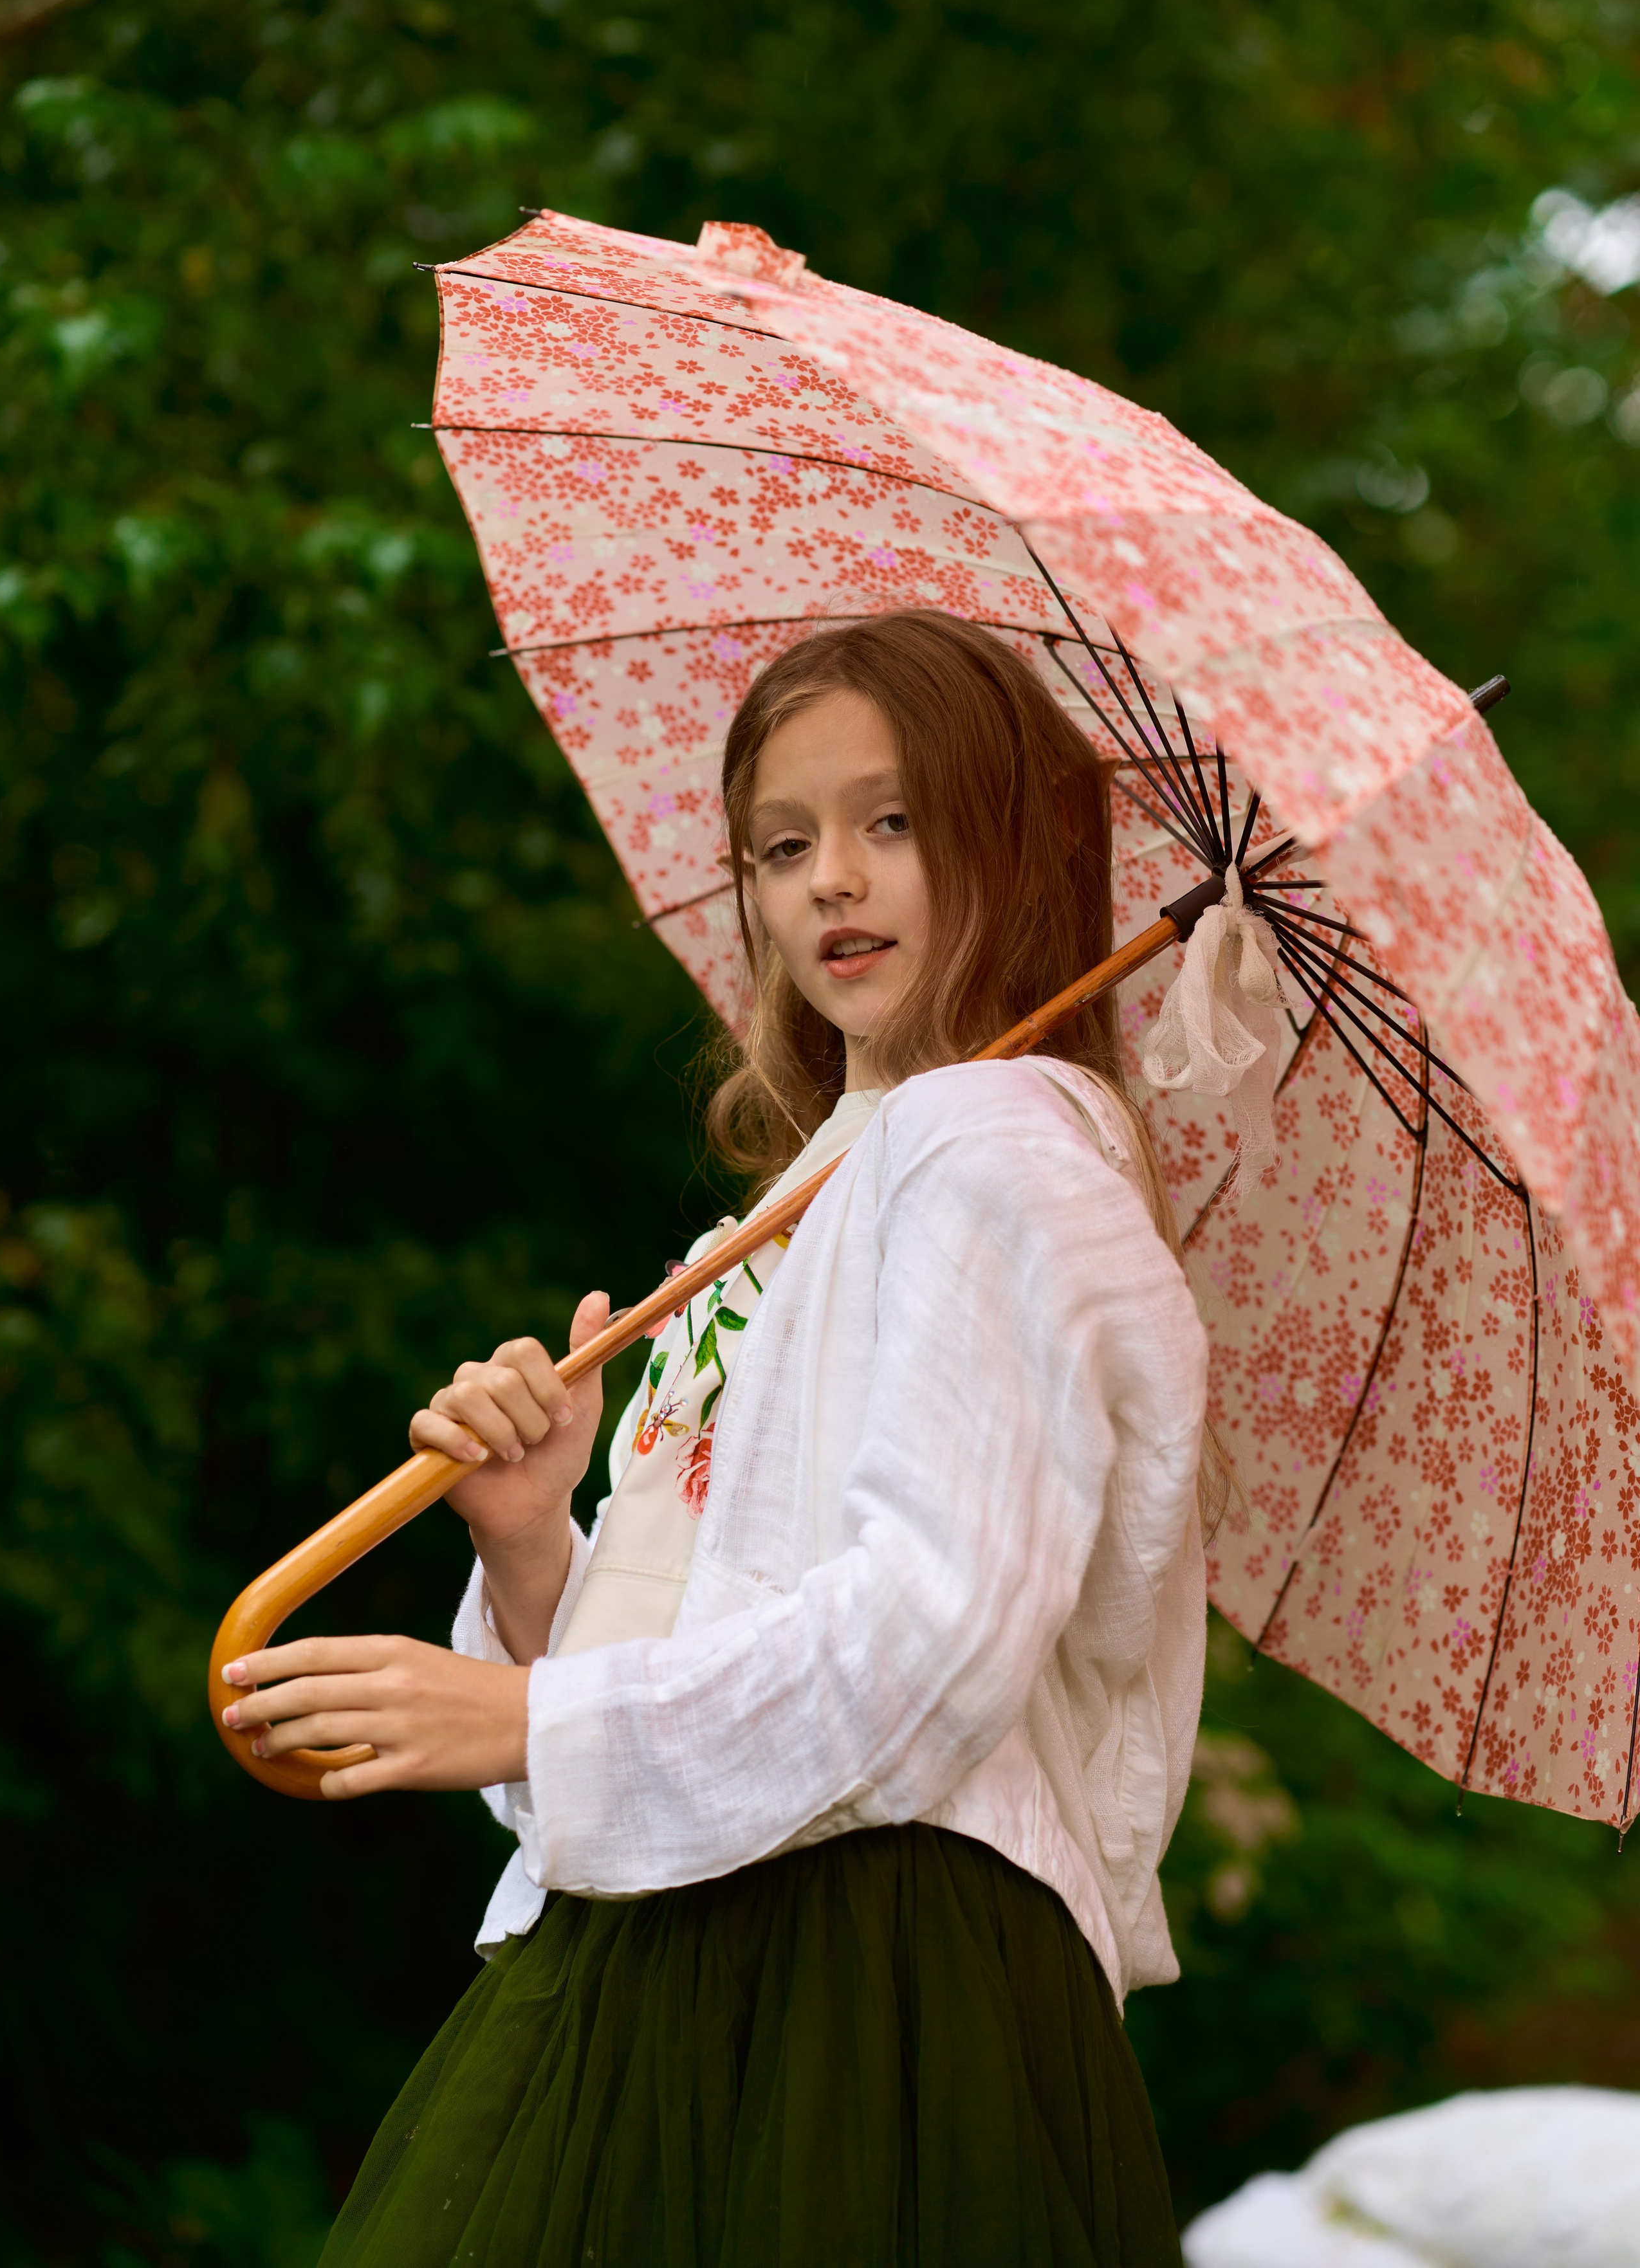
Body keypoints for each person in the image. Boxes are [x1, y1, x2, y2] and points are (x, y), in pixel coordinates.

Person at [218, 608, 1215, 2267]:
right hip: (699, 1935)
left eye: (895, 821)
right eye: (785, 839)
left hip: (875, 1972)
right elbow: (699, 1660)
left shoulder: (994, 1148)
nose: (833, 877)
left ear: (1019, 844)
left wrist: (528, 1712)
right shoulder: (799, 1206)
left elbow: (936, 1627)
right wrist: (536, 1544)